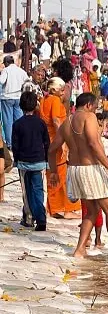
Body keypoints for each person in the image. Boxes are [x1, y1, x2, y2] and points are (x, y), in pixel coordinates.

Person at [48, 92, 108, 258]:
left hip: (74, 170)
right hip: (89, 169)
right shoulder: (88, 117)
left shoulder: (66, 122)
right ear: (89, 105)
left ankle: (80, 249)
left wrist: (53, 171)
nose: (95, 111)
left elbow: (52, 149)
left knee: (92, 210)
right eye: (95, 107)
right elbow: (93, 143)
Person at [39, 77, 82, 219]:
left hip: (47, 143)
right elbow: (57, 120)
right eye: (62, 90)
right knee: (60, 174)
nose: (63, 93)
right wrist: (63, 142)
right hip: (56, 142)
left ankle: (53, 207)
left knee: (51, 173)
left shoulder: (44, 100)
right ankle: (64, 209)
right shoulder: (55, 101)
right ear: (55, 90)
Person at [12, 91, 50, 230]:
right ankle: (41, 219)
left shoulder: (17, 124)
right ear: (35, 106)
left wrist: (16, 160)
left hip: (23, 163)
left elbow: (15, 145)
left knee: (27, 192)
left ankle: (29, 218)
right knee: (39, 191)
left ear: (21, 106)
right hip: (39, 162)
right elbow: (47, 143)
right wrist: (47, 161)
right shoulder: (41, 123)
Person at [0, 54, 27, 144]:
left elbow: (1, 81)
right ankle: (21, 140)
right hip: (18, 97)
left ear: (7, 63)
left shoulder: (6, 70)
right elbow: (27, 82)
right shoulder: (21, 71)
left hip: (7, 98)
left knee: (8, 121)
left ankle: (10, 143)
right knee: (19, 119)